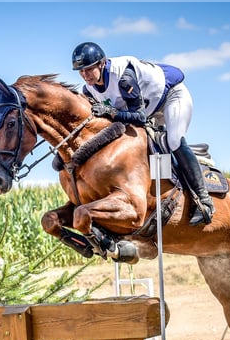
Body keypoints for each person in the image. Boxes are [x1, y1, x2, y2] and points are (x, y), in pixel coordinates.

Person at [71, 41, 215, 226]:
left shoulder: (123, 77)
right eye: (81, 71)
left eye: (89, 69)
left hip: (170, 97)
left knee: (173, 141)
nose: (85, 75)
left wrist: (112, 113)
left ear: (102, 63)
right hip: (148, 108)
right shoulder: (88, 90)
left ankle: (204, 201)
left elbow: (138, 117)